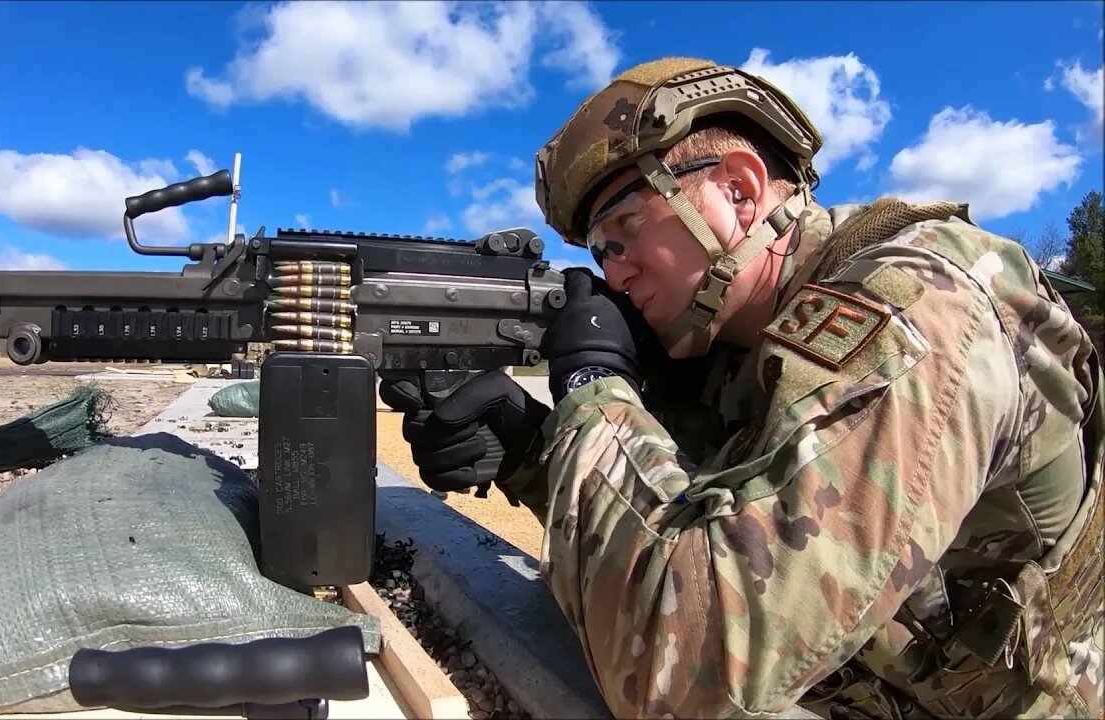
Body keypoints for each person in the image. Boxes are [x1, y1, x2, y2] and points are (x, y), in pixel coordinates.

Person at [380, 57, 1104, 719]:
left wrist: (595, 391)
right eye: (601, 251)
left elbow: (682, 668)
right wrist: (534, 452)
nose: (615, 271)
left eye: (625, 229)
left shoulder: (917, 303)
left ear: (738, 190)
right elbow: (706, 529)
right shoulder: (736, 344)